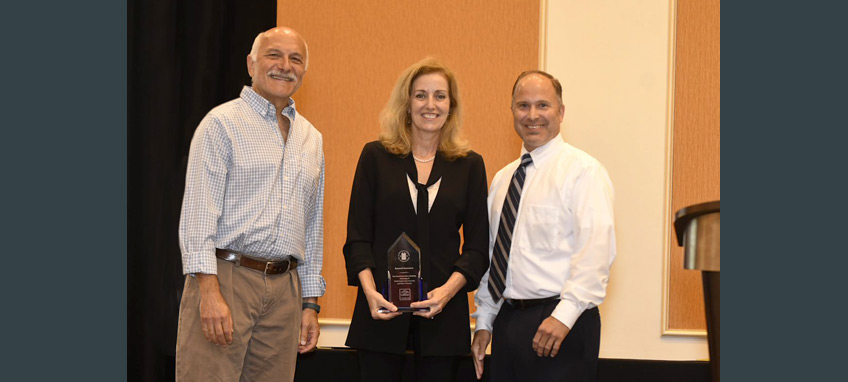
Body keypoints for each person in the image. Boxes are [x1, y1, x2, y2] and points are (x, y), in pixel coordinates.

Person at [176, 26, 325, 382]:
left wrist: (310, 304)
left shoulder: (312, 138)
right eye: (274, 55)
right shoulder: (221, 124)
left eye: (295, 58)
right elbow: (197, 217)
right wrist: (208, 292)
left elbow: (313, 224)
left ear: (304, 70)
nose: (284, 66)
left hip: (286, 290)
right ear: (251, 63)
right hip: (226, 279)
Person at [343, 57, 490, 381]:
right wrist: (370, 293)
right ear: (406, 103)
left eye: (440, 96)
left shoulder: (470, 166)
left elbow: (478, 249)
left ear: (451, 106)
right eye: (420, 95)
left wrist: (447, 293)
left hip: (444, 320)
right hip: (380, 316)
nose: (430, 104)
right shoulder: (375, 157)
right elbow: (357, 239)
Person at [471, 70, 616, 381]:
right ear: (512, 112)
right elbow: (495, 257)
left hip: (562, 323)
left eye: (543, 105)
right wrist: (484, 321)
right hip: (507, 323)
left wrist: (562, 318)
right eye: (523, 106)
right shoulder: (502, 179)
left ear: (561, 112)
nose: (532, 115)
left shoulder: (584, 172)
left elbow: (595, 254)